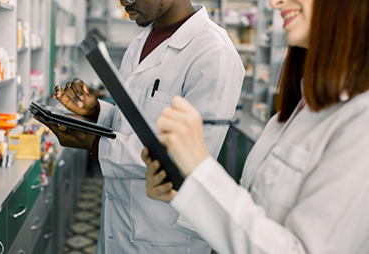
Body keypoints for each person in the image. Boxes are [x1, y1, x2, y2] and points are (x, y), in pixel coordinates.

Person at [142, 0, 369, 253]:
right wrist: (185, 191)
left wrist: (200, 167)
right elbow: (257, 220)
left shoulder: (361, 124)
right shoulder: (294, 112)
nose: (275, 2)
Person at [37, 0, 245, 252]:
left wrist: (96, 144)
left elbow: (187, 157)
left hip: (163, 239)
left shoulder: (214, 53)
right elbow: (133, 122)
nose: (123, 1)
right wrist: (96, 112)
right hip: (117, 229)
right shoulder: (139, 43)